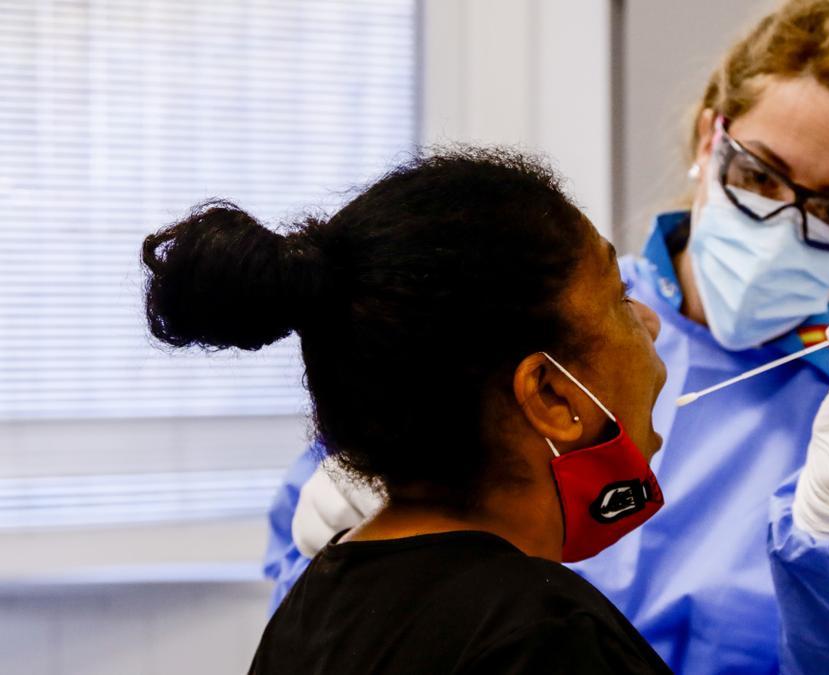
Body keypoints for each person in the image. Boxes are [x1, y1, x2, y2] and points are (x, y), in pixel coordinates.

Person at [268, 1, 829, 672]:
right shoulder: (531, 321)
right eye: (761, 176)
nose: (785, 225)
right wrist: (346, 553)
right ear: (708, 138)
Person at [142, 148, 673, 674]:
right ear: (552, 396)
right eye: (621, 297)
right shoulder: (546, 637)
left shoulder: (310, 611)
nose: (650, 323)